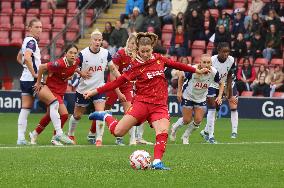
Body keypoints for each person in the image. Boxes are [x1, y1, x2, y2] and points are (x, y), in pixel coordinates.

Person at [84, 32, 209, 170]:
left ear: (152, 48)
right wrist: (94, 91)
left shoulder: (159, 59)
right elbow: (116, 83)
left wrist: (196, 70)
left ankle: (157, 162)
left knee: (162, 131)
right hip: (141, 103)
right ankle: (105, 116)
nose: (145, 54)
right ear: (137, 50)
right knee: (118, 132)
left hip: (159, 105)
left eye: (148, 51)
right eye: (142, 51)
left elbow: (177, 65)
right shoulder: (135, 66)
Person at [67, 30, 121, 146]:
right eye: (95, 40)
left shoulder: (106, 53)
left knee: (100, 113)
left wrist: (121, 78)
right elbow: (73, 66)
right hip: (84, 89)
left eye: (99, 40)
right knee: (77, 115)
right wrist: (81, 73)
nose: (97, 42)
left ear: (102, 41)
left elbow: (112, 68)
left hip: (99, 89)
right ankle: (70, 135)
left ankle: (99, 139)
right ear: (91, 40)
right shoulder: (83, 54)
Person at [105, 33, 153, 145]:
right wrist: (118, 92)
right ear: (127, 43)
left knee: (131, 111)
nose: (133, 46)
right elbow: (113, 76)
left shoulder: (138, 56)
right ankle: (93, 133)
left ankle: (131, 139)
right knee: (105, 109)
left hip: (127, 86)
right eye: (131, 43)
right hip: (113, 85)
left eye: (135, 44)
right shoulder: (119, 54)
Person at [29, 45, 79, 145]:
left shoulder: (76, 62)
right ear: (65, 54)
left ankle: (34, 134)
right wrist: (38, 83)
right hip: (48, 90)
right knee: (56, 105)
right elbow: (42, 67)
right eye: (70, 52)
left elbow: (74, 69)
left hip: (59, 92)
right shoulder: (59, 63)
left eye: (75, 53)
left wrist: (81, 73)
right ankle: (58, 135)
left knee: (60, 115)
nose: (73, 55)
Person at [170, 54, 224, 144]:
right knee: (187, 120)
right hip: (188, 96)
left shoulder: (214, 72)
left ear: (211, 63)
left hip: (201, 98)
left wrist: (219, 96)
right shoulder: (193, 69)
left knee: (198, 120)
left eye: (208, 62)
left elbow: (221, 83)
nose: (206, 65)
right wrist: (179, 91)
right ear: (200, 63)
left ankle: (185, 136)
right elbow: (181, 76)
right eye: (204, 62)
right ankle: (174, 128)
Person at [200, 42, 238, 143]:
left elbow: (230, 75)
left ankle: (206, 132)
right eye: (223, 52)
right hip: (211, 85)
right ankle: (211, 136)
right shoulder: (212, 60)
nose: (226, 54)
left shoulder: (231, 60)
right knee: (212, 108)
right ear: (218, 51)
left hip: (222, 86)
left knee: (216, 109)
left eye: (227, 52)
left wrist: (228, 90)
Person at [16, 18, 42, 145]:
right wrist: (34, 73)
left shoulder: (26, 40)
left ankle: (21, 138)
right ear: (30, 28)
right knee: (54, 103)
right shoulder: (31, 42)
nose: (39, 30)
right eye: (36, 27)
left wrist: (26, 68)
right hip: (32, 79)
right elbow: (26, 57)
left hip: (24, 79)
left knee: (25, 108)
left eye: (41, 27)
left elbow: (19, 57)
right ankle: (58, 134)